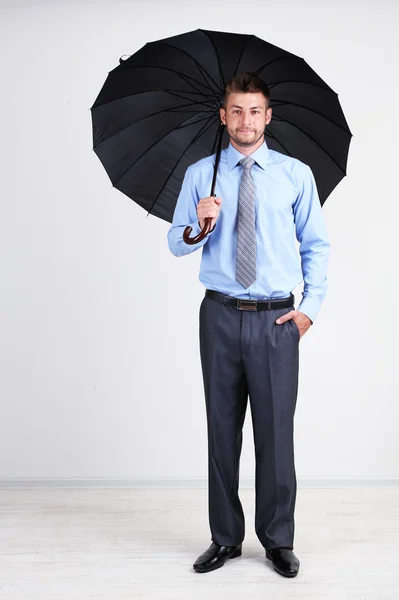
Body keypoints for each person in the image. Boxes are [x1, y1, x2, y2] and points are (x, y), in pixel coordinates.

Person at [167, 72, 330, 578]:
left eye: (254, 111)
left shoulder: (295, 174)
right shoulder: (202, 174)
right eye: (236, 111)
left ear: (268, 116)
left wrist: (310, 309)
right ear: (223, 116)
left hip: (276, 319)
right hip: (217, 315)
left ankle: (278, 539)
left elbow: (316, 245)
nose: (245, 120)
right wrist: (199, 223)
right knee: (222, 430)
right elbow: (176, 242)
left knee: (276, 432)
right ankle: (224, 538)